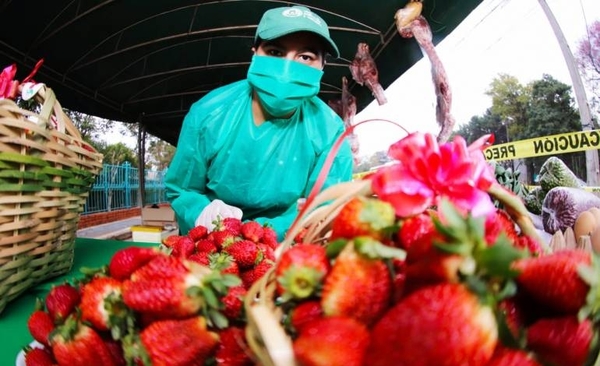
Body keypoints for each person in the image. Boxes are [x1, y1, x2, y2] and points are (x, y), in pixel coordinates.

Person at [165, 5, 354, 241]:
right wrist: (202, 213)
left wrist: (265, 234)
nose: (287, 68)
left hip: (283, 245)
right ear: (255, 53)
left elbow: (325, 206)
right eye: (275, 52)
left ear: (322, 66)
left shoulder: (330, 131)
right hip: (210, 240)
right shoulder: (209, 114)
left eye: (305, 57)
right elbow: (183, 188)